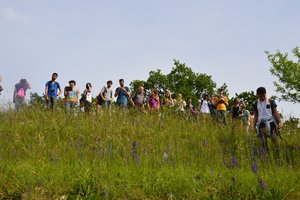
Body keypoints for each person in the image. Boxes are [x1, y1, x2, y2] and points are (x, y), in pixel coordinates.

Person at [253, 87, 282, 154]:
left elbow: (275, 112)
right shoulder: (255, 103)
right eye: (260, 96)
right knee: (262, 142)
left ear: (265, 93)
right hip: (261, 124)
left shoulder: (271, 101)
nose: (262, 97)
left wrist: (279, 122)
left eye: (263, 95)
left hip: (271, 123)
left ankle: (277, 156)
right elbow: (256, 116)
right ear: (258, 95)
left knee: (274, 140)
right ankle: (265, 157)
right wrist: (253, 126)